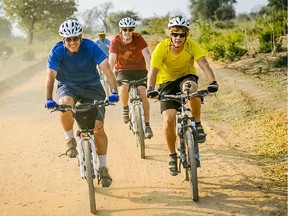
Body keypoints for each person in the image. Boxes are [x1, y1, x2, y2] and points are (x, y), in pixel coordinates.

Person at [44, 19, 119, 187]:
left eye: (75, 38)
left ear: (81, 36)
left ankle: (103, 167)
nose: (72, 42)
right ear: (63, 39)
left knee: (98, 128)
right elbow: (50, 76)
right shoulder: (56, 51)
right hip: (68, 87)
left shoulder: (91, 47)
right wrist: (49, 98)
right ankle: (70, 140)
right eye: (68, 39)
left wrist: (114, 91)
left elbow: (107, 68)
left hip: (92, 87)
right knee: (64, 105)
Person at [146, 16, 219, 176]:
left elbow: (204, 64)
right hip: (166, 83)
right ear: (170, 34)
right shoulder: (161, 48)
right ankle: (172, 156)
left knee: (191, 89)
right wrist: (150, 88)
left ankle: (197, 124)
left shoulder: (191, 46)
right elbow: (153, 70)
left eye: (182, 35)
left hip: (186, 77)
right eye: (175, 34)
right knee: (169, 119)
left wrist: (212, 81)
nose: (178, 38)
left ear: (186, 35)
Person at [109, 17, 153, 139]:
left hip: (139, 70)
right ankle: (125, 108)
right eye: (125, 29)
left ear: (133, 30)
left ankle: (147, 125)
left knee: (143, 93)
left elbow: (147, 55)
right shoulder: (115, 41)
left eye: (130, 29)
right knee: (123, 88)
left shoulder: (139, 38)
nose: (127, 32)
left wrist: (152, 71)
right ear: (121, 30)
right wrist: (109, 73)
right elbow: (112, 59)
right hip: (122, 70)